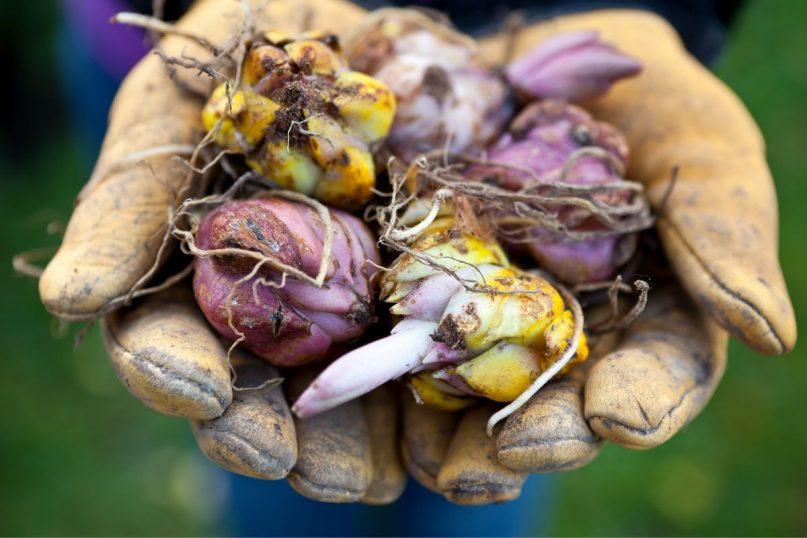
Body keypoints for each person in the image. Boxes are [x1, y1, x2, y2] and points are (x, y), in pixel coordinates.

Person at [53, 0, 794, 536]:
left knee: (477, 475)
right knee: (258, 443)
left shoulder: (441, 256)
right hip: (141, 44)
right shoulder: (325, 125)